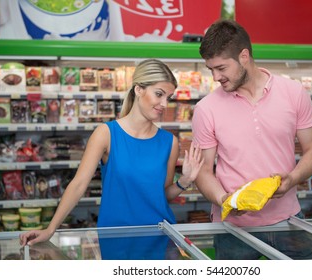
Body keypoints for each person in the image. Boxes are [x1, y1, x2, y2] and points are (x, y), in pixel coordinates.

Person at [20, 59, 204, 259]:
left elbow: (162, 196)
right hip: (116, 237)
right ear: (138, 90)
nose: (164, 104)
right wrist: (50, 229)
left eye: (168, 97)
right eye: (159, 94)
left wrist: (184, 181)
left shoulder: (169, 142)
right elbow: (79, 184)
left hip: (159, 236)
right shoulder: (106, 134)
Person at [192, 19, 312, 260]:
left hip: (288, 220)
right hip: (232, 229)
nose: (215, 77)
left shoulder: (293, 92)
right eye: (210, 69)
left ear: (244, 56)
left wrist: (292, 178)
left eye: (221, 68)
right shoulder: (205, 108)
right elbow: (202, 170)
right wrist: (226, 201)